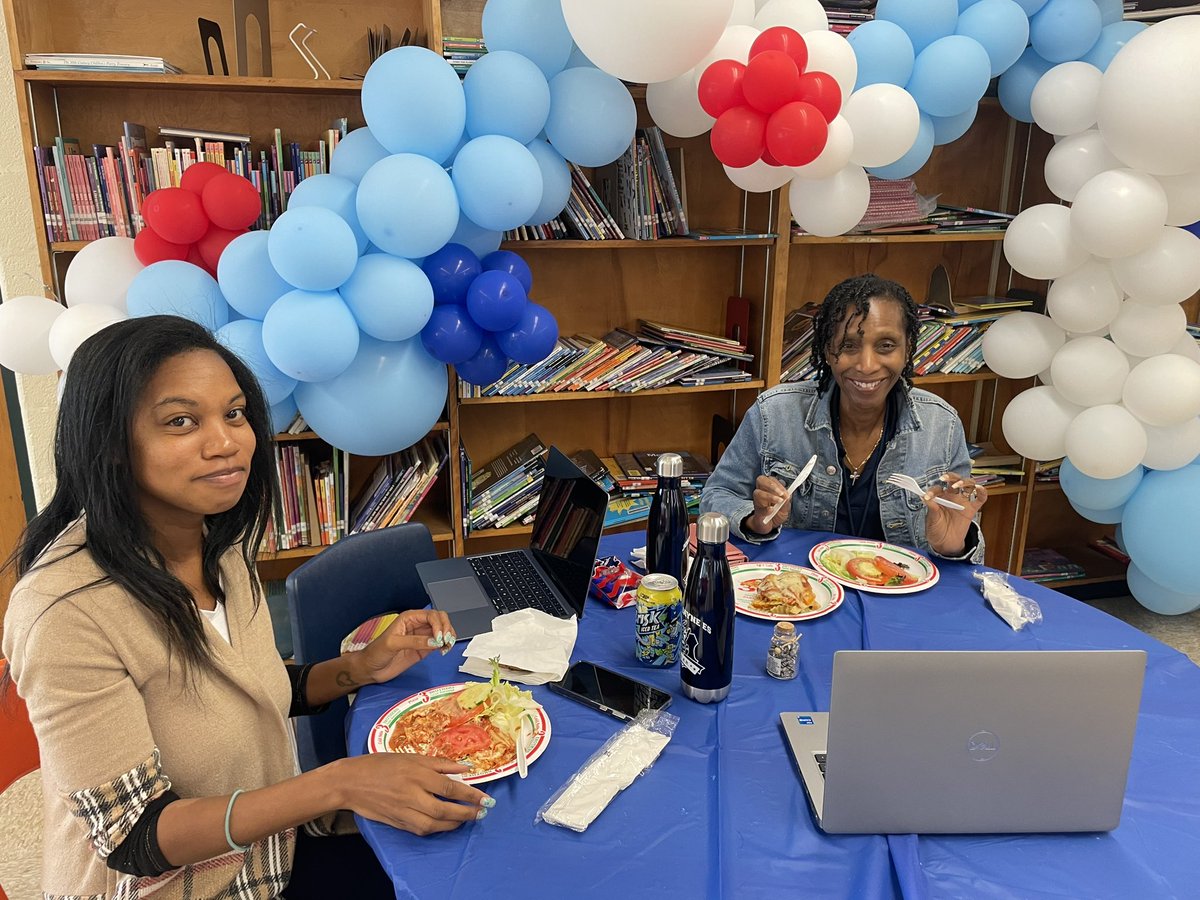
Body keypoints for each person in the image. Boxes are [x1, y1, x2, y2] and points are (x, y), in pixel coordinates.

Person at [2, 315, 491, 900]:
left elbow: (242, 688)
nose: (226, 441)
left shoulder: (218, 541)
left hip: (276, 842)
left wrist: (356, 669)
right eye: (181, 421)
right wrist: (337, 785)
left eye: (233, 413)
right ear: (108, 444)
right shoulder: (64, 612)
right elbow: (135, 838)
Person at [701, 274, 987, 563]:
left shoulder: (942, 425)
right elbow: (716, 495)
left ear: (908, 348)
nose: (866, 365)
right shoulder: (775, 412)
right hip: (799, 591)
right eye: (849, 346)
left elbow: (962, 530)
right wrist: (754, 519)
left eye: (886, 345)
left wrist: (953, 547)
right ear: (828, 349)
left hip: (900, 594)